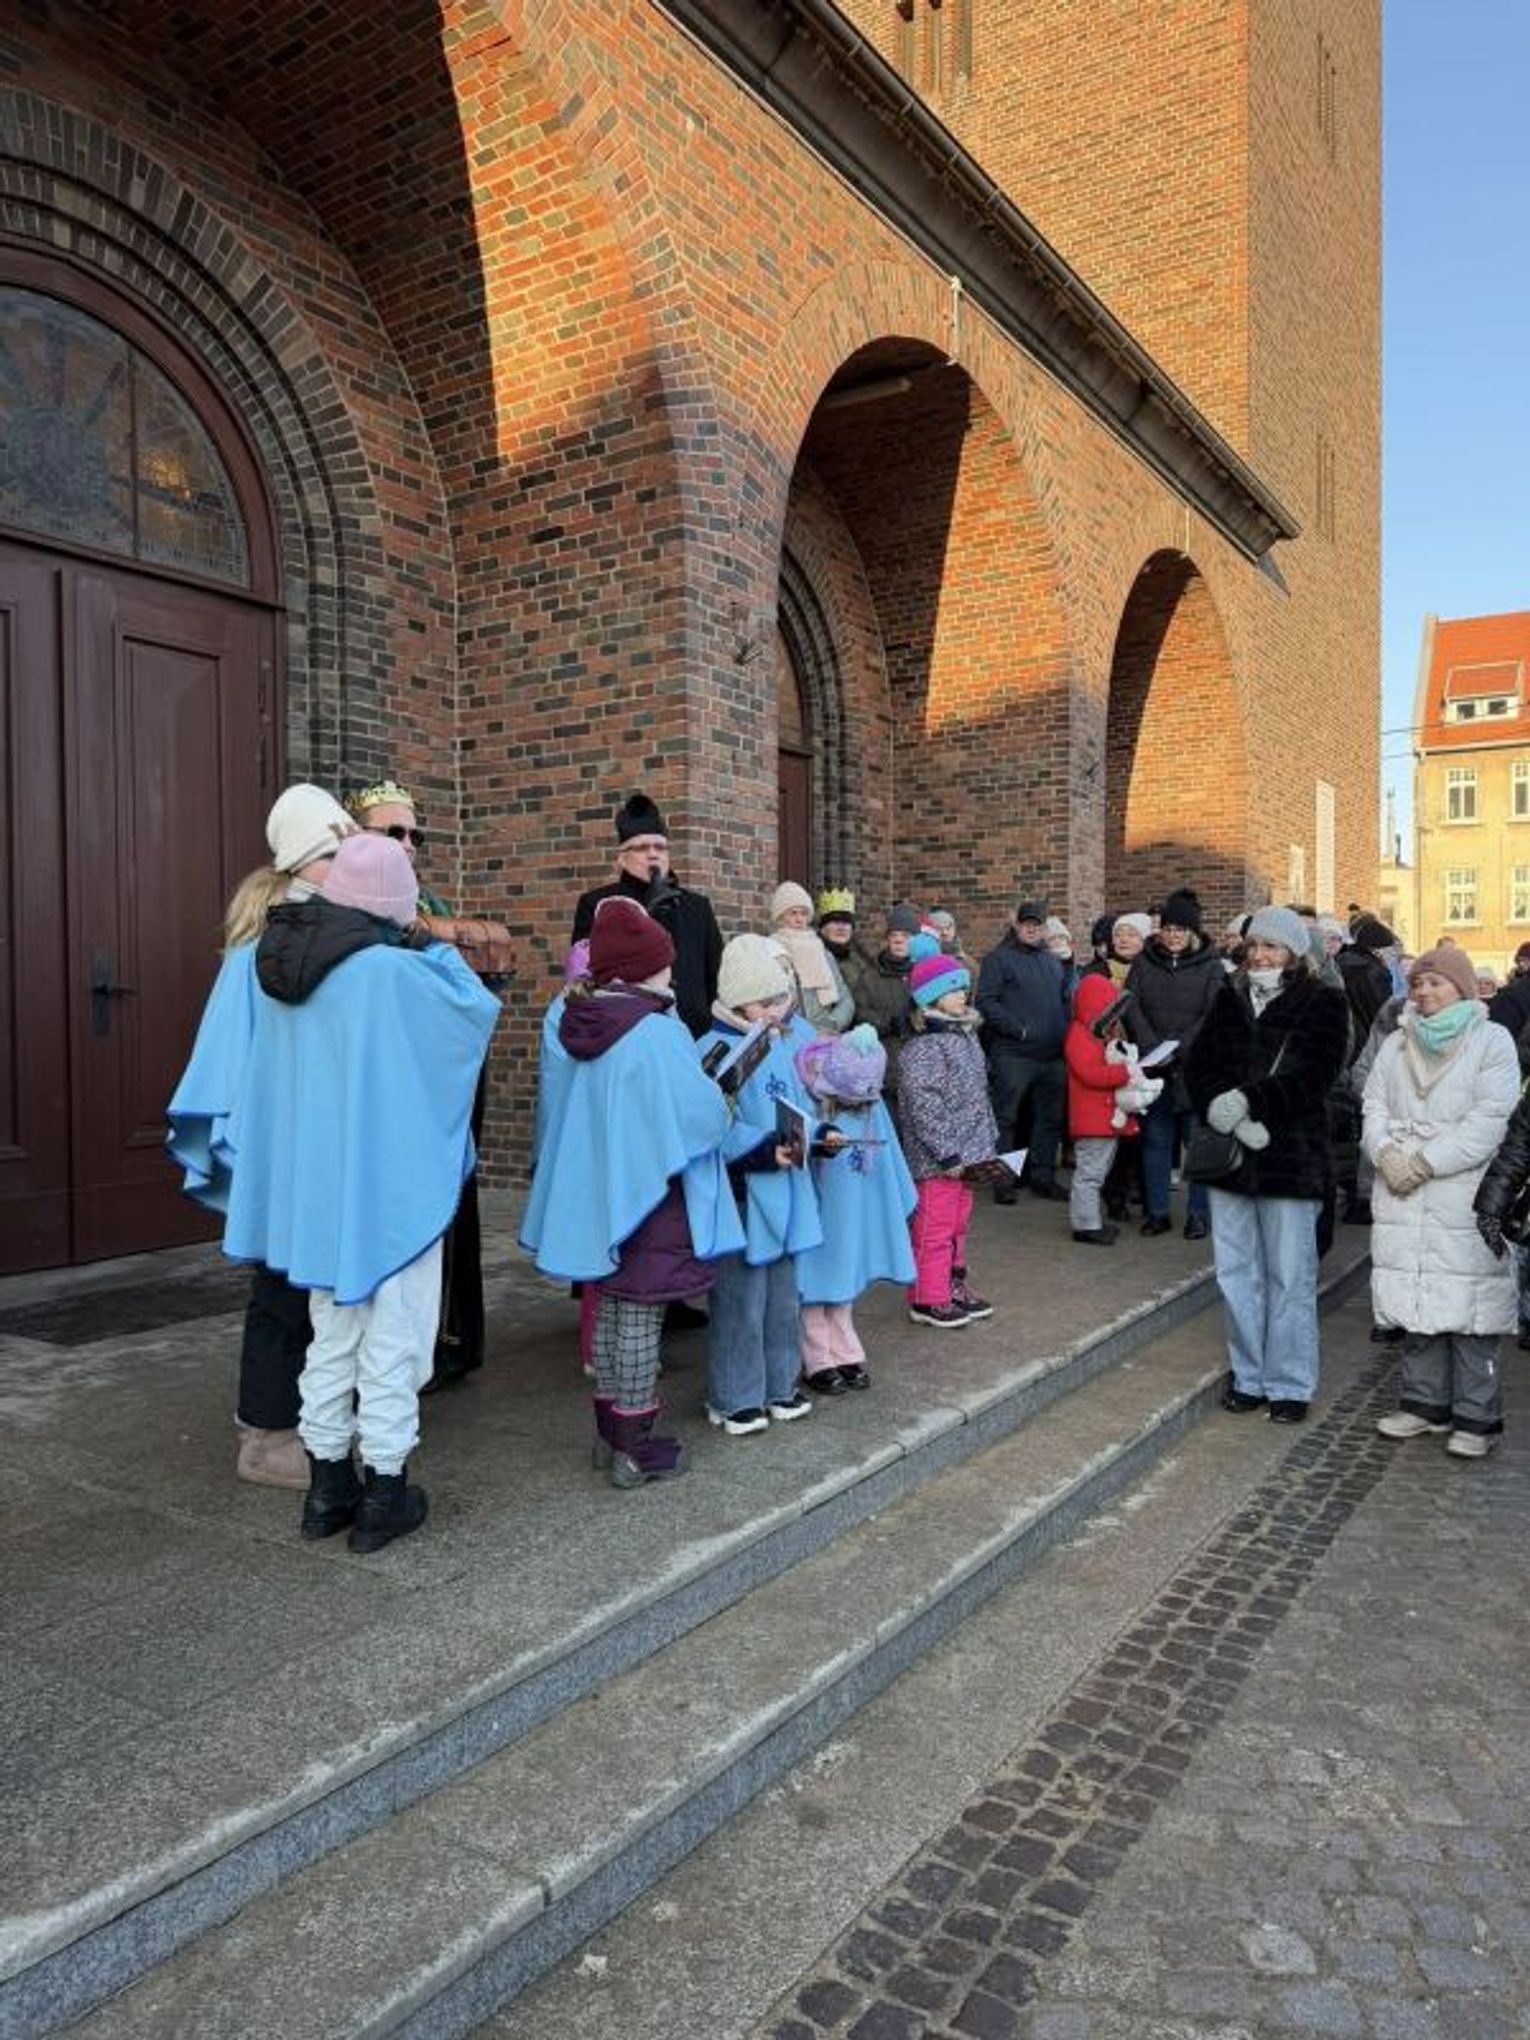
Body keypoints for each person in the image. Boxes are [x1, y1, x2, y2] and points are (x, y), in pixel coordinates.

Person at [225, 833, 500, 1549]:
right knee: (395, 1336)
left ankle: (327, 1489)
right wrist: (430, 940)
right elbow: (475, 1009)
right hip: (388, 1185)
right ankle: (384, 1490)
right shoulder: (389, 972)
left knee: (330, 1334)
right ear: (393, 905)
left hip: (318, 1189)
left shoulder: (278, 966)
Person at [167, 782, 356, 1490]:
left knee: (312, 1289)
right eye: (334, 855)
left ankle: (308, 1422)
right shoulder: (264, 948)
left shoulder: (328, 933)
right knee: (282, 1290)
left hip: (313, 1141)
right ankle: (268, 1437)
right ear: (303, 862)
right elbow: (235, 1054)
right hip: (283, 1145)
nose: (346, 866)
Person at [520, 899, 741, 1486]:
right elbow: (700, 1119)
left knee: (613, 1309)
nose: (673, 970)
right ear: (647, 968)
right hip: (653, 1195)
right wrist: (722, 1098)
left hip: (603, 1191)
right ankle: (636, 1447)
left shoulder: (583, 1021)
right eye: (665, 961)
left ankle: (610, 1433)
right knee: (642, 1316)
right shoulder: (657, 1031)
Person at [347, 777, 511, 1389]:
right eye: (394, 832)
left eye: (416, 835)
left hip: (445, 1078)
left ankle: (450, 1341)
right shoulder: (347, 907)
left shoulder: (433, 908)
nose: (409, 844)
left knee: (453, 1206)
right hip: (388, 1085)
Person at [1184, 904, 1350, 1424]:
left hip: (1290, 1159)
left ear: (1294, 952)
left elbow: (1316, 1076)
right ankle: (1248, 1376)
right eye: (1254, 945)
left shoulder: (1323, 1001)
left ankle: (1290, 1383)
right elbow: (1200, 1062)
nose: (1259, 955)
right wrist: (1220, 1106)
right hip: (1231, 1162)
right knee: (1237, 1274)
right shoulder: (1228, 996)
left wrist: (1251, 1101)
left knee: (1289, 1277)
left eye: (1271, 946)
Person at [1362, 946, 1520, 1459]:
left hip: (1462, 1189)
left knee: (1471, 1305)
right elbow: (1374, 1104)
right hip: (1401, 1191)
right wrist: (1384, 1154)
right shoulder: (1396, 1041)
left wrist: (1427, 1161)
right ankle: (1424, 1403)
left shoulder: (1491, 1040)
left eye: (1436, 982)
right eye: (1418, 983)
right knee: (1416, 1297)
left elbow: (1491, 1119)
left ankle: (1477, 1415)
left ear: (1462, 988)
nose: (1425, 992)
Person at [696, 936, 825, 1433]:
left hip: (787, 1187)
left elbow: (800, 1107)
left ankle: (779, 1385)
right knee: (741, 1300)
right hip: (743, 1192)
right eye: (764, 1001)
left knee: (783, 1298)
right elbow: (708, 1124)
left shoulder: (778, 1043)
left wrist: (820, 1135)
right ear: (736, 999)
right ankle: (734, 1396)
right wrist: (758, 1148)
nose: (775, 1011)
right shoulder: (712, 1049)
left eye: (779, 1000)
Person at [793, 1025, 916, 1392]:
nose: (860, 1106)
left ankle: (844, 1347)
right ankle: (816, 1356)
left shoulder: (871, 1104)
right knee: (815, 1278)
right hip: (820, 1207)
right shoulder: (811, 1101)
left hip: (854, 1206)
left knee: (846, 1272)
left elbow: (888, 1156)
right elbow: (797, 1150)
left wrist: (893, 1198)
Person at [899, 944, 1000, 1327]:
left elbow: (978, 1095)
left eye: (963, 987)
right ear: (931, 997)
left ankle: (952, 1286)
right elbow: (925, 1105)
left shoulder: (966, 1036)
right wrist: (947, 1154)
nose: (962, 994)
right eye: (953, 988)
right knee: (934, 1228)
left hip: (970, 1154)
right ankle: (928, 1298)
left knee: (957, 1225)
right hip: (939, 1161)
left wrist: (987, 1141)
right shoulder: (924, 1047)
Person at [572, 791, 723, 1037]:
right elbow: (587, 976)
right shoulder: (598, 904)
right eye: (641, 847)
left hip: (694, 1035)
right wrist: (647, 915)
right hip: (629, 1034)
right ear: (622, 859)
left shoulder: (697, 907)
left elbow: (714, 977)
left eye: (660, 847)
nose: (653, 854)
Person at [1127, 888, 1224, 1242]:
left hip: (1194, 1067)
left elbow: (1213, 1012)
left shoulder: (1211, 966)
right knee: (1155, 1141)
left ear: (1192, 932)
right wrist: (1153, 1047)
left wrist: (1180, 1047)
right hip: (1155, 1068)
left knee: (1196, 1144)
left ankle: (1198, 1214)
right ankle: (1157, 1213)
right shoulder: (1143, 963)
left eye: (1180, 929)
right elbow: (1131, 1005)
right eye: (1168, 928)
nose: (1173, 935)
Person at [976, 900, 1069, 1204]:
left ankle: (1043, 1177)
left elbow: (1063, 1002)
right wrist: (1018, 1030)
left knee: (1049, 1119)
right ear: (1016, 925)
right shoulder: (997, 959)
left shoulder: (1052, 961)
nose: (1031, 929)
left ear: (1044, 928)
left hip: (1053, 1055)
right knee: (1006, 1119)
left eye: (1037, 924)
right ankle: (1003, 1180)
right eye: (1026, 923)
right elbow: (986, 1002)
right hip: (1014, 1054)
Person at [1065, 978, 1160, 1245]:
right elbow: (1090, 1074)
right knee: (1090, 1174)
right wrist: (1126, 1071)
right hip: (1093, 1119)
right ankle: (1085, 1226)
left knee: (1096, 1172)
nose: (1113, 1017)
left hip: (1101, 1118)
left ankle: (1090, 1220)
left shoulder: (1093, 1033)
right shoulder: (1079, 1035)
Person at [841, 902, 920, 1108]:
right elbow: (859, 1014)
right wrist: (890, 1022)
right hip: (886, 1066)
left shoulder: (925, 973)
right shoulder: (870, 976)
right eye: (894, 935)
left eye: (906, 935)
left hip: (921, 1064)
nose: (898, 940)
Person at [771, 881, 854, 1033]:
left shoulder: (822, 952)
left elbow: (845, 999)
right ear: (781, 916)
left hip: (823, 1033)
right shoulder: (771, 950)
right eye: (793, 913)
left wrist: (833, 1023)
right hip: (787, 1032)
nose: (799, 919)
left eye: (804, 913)